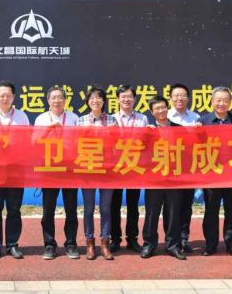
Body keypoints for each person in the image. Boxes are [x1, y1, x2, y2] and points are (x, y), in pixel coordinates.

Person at [0, 80, 30, 260]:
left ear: (13, 97)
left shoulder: (22, 117)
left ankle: (12, 244)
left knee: (14, 209)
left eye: (8, 95)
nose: (5, 98)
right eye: (1, 95)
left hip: (16, 169)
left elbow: (28, 140)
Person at [34, 86, 80, 260]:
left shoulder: (74, 118)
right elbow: (33, 141)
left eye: (60, 97)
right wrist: (48, 130)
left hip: (70, 169)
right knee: (48, 210)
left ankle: (71, 244)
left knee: (71, 209)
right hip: (49, 170)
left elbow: (81, 141)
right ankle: (49, 245)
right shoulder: (41, 119)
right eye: (53, 97)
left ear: (65, 100)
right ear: (48, 100)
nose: (56, 100)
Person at [199, 87, 232, 257]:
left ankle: (231, 245)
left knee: (231, 210)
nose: (221, 103)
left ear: (230, 102)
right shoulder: (203, 121)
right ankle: (210, 244)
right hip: (211, 175)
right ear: (212, 102)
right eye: (218, 100)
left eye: (225, 100)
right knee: (211, 210)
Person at [140, 95, 185, 260]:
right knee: (152, 213)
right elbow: (139, 151)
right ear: (152, 112)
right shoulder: (148, 131)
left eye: (163, 107)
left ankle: (173, 245)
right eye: (157, 108)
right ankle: (149, 244)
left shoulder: (179, 129)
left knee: (173, 213)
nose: (161, 111)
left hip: (174, 178)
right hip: (154, 179)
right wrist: (145, 135)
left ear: (168, 108)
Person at [76, 86, 118, 260]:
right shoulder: (80, 121)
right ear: (87, 102)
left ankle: (105, 244)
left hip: (107, 170)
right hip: (87, 170)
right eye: (92, 98)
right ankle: (90, 244)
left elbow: (117, 144)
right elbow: (75, 144)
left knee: (106, 208)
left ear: (104, 101)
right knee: (88, 208)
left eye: (99, 98)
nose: (95, 101)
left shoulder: (112, 120)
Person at [110, 85, 148, 253]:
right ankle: (115, 239)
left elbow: (147, 140)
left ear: (134, 99)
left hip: (134, 166)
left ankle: (132, 239)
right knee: (114, 205)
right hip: (115, 167)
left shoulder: (142, 118)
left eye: (130, 96)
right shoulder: (111, 118)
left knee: (133, 205)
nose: (126, 99)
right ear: (118, 99)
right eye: (123, 96)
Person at [167, 83, 200, 253]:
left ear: (188, 98)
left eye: (183, 95)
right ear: (171, 98)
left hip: (188, 167)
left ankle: (184, 238)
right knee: (172, 206)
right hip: (169, 167)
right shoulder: (165, 115)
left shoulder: (195, 117)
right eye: (176, 95)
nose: (179, 98)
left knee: (187, 204)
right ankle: (171, 239)